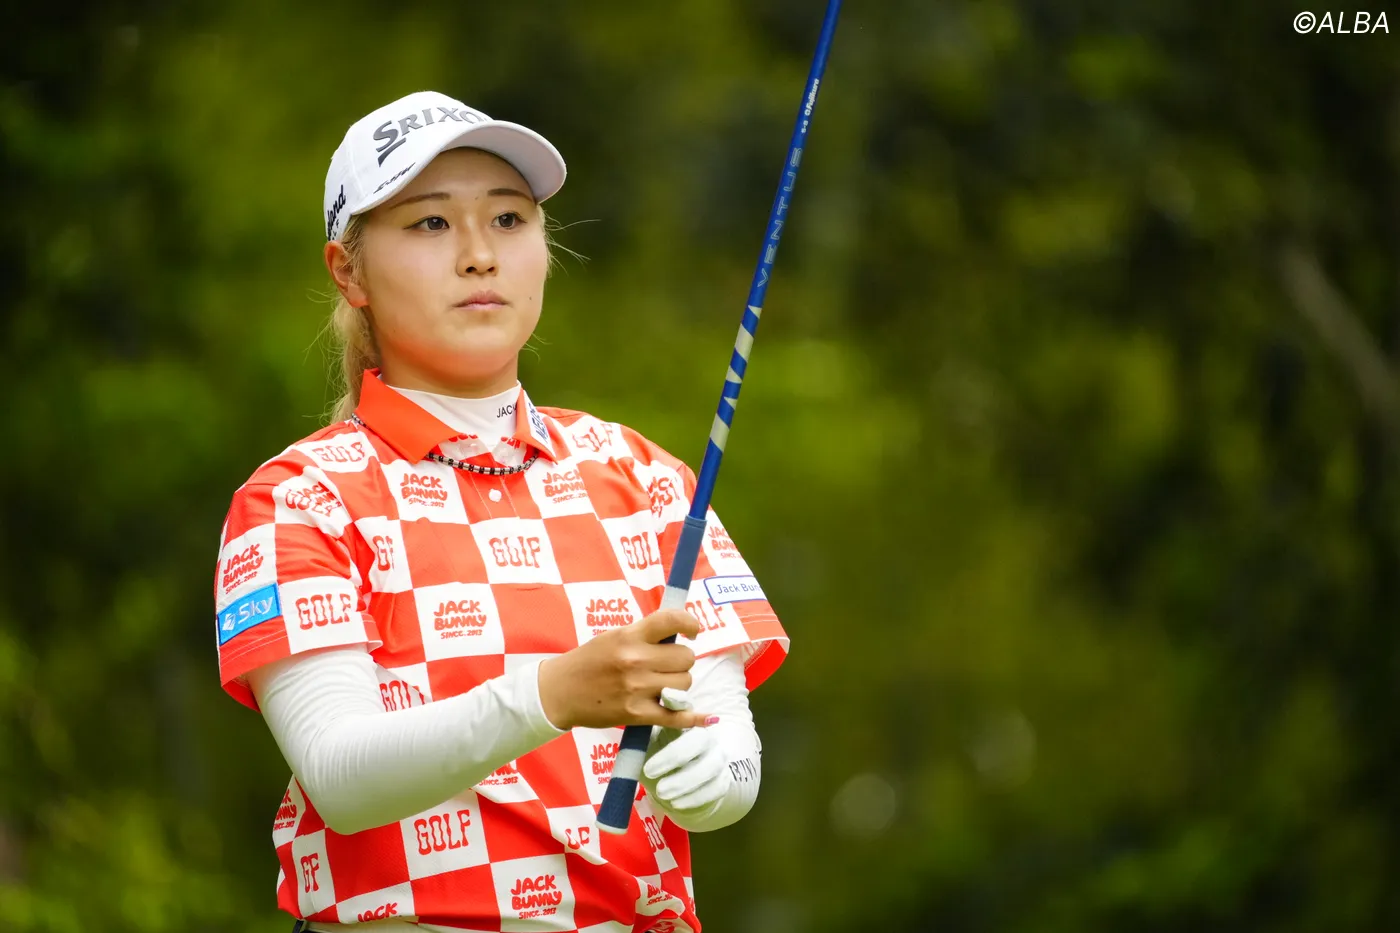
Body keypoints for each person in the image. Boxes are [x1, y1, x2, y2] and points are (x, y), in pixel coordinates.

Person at [212, 90, 789, 933]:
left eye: (510, 219)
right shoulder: (300, 498)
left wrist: (723, 770)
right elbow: (341, 777)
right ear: (348, 271)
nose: (480, 255)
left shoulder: (644, 476)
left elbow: (731, 734)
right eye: (430, 223)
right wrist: (552, 694)